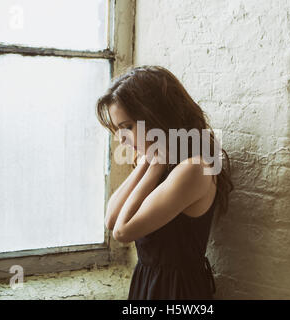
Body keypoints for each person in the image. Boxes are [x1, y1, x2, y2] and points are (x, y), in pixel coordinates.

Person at [95, 65, 233, 299]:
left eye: (127, 127)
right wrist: (147, 164)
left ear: (156, 116)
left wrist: (154, 166)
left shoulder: (194, 168)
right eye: (118, 130)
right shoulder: (158, 162)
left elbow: (122, 231)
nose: (121, 139)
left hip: (178, 291)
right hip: (148, 282)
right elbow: (111, 219)